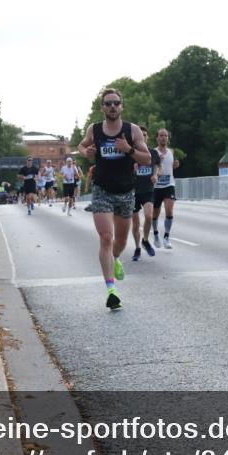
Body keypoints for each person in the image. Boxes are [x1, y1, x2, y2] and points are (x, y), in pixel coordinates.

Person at [79, 88, 151, 310]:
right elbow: (82, 146)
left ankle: (115, 259)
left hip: (126, 192)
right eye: (108, 103)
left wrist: (128, 149)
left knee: (120, 242)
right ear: (102, 107)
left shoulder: (133, 130)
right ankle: (111, 290)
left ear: (121, 106)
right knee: (106, 238)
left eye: (116, 103)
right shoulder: (95, 129)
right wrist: (86, 151)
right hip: (102, 190)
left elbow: (147, 159)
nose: (112, 107)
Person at [131, 127, 161, 260]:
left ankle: (145, 240)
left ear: (147, 137)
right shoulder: (131, 152)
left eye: (145, 135)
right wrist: (132, 168)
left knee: (149, 217)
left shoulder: (153, 153)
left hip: (148, 190)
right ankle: (137, 248)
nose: (143, 137)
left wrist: (155, 175)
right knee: (136, 224)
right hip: (133, 191)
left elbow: (158, 166)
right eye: (140, 135)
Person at [151, 128, 183, 250]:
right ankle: (155, 235)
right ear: (157, 138)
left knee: (169, 210)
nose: (163, 137)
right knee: (155, 213)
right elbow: (150, 165)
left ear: (168, 138)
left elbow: (172, 165)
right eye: (161, 135)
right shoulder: (153, 152)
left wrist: (176, 164)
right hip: (156, 186)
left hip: (169, 184)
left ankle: (166, 237)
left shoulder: (171, 151)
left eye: (166, 135)